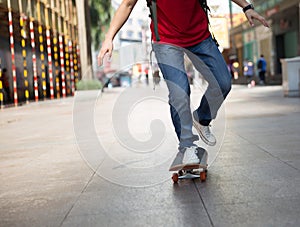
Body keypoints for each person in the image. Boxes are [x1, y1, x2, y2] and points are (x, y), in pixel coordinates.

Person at [98, 0, 269, 169]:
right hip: (166, 41)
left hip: (200, 37)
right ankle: (187, 145)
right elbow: (127, 4)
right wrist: (109, 38)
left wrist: (246, 7)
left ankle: (202, 119)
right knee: (179, 92)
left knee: (223, 83)